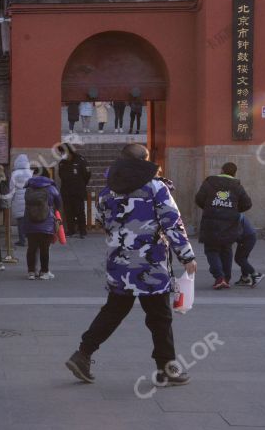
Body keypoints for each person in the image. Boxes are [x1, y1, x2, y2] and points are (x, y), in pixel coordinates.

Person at [65, 144, 197, 387]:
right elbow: (172, 222)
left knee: (114, 311)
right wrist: (186, 256)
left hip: (120, 262)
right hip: (151, 264)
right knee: (159, 317)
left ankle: (83, 354)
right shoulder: (156, 188)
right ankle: (166, 368)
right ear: (145, 161)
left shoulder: (107, 191)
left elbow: (105, 222)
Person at [195, 162, 265, 289]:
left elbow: (199, 199)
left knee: (211, 250)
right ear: (234, 173)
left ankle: (219, 278)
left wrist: (210, 208)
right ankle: (226, 278)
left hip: (210, 223)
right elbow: (247, 204)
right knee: (226, 250)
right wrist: (232, 210)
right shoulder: (237, 186)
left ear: (221, 170)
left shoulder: (209, 183)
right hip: (229, 224)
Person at [23, 166, 62, 280]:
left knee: (31, 248)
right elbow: (58, 203)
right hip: (47, 222)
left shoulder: (29, 188)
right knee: (44, 248)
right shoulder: (51, 188)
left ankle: (31, 272)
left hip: (30, 221)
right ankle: (44, 271)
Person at [57, 144, 91, 238]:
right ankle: (71, 230)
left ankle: (82, 231)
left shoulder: (80, 160)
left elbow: (87, 175)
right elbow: (61, 175)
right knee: (68, 211)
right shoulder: (62, 163)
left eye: (64, 152)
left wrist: (80, 184)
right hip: (66, 191)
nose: (63, 154)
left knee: (80, 211)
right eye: (61, 152)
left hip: (78, 191)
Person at [10, 154, 33, 247]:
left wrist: (10, 200)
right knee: (29, 220)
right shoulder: (30, 173)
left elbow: (11, 188)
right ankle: (30, 239)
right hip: (28, 198)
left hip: (18, 198)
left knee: (20, 221)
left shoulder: (14, 174)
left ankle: (22, 240)